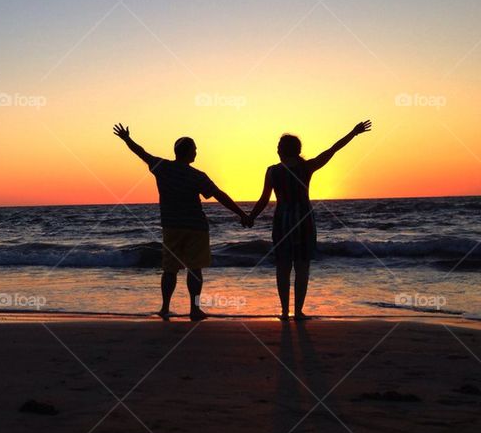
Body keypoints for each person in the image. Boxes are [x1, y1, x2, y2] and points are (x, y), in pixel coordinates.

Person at [113, 123, 251, 321]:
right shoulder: (197, 176)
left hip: (172, 227)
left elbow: (141, 152)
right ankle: (194, 310)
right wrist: (241, 214)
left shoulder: (162, 167)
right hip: (196, 228)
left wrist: (127, 139)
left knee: (170, 269)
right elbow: (219, 195)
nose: (196, 152)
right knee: (195, 269)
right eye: (194, 149)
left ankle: (165, 308)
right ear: (187, 152)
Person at [249, 120, 372, 321]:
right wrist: (353, 133)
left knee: (283, 266)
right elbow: (332, 150)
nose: (277, 150)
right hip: (304, 220)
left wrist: (250, 217)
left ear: (283, 150)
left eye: (279, 147)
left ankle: (283, 312)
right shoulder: (307, 167)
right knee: (302, 266)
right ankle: (297, 312)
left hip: (282, 220)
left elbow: (264, 199)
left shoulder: (273, 171)